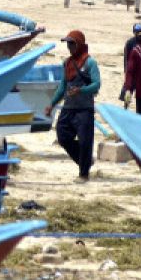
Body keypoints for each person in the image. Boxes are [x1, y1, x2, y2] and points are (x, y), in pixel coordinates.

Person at [44, 29, 101, 183]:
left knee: (84, 141)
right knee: (62, 137)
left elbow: (96, 85)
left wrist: (81, 90)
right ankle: (86, 161)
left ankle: (83, 174)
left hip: (84, 109)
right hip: (68, 108)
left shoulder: (90, 63)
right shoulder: (67, 63)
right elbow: (62, 87)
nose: (69, 47)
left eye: (72, 44)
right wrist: (52, 104)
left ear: (80, 45)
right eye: (68, 44)